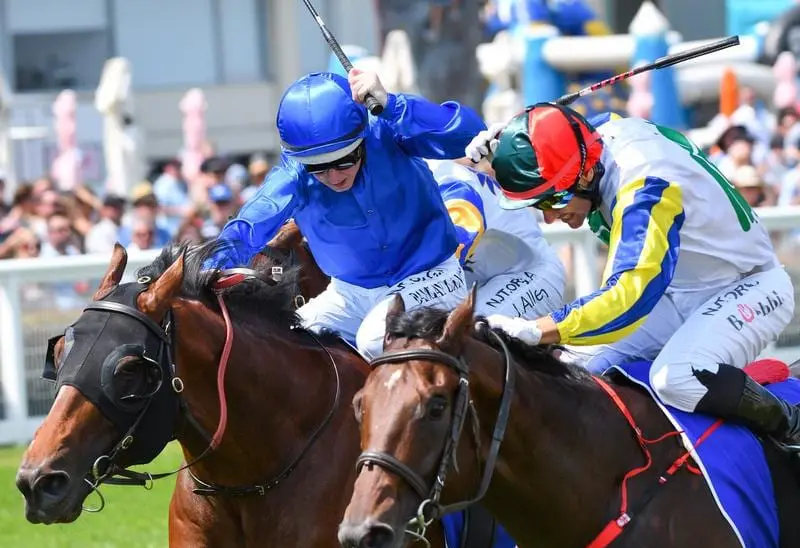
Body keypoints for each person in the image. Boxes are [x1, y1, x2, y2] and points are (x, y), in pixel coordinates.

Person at [465, 105, 800, 449]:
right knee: (567, 372)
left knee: (676, 378)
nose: (550, 217)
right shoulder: (596, 143)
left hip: (750, 287)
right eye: (539, 205)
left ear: (582, 176)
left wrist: (539, 329)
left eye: (553, 199)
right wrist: (511, 144)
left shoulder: (645, 185)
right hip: (676, 291)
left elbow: (628, 298)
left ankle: (791, 422)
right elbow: (565, 127)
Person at [205, 69, 485, 359]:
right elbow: (249, 225)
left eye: (345, 160)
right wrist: (207, 269)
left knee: (375, 339)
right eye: (318, 167)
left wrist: (394, 104)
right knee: (286, 349)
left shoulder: (388, 126)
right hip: (350, 294)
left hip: (430, 275)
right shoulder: (293, 173)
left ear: (362, 137)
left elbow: (470, 135)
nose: (334, 176)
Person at [425, 158, 566, 318]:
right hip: (477, 283)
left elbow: (454, 247)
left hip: (527, 274)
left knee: (464, 332)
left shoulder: (445, 177)